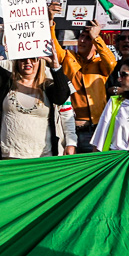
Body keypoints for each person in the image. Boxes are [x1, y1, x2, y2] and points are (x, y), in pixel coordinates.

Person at [49, 8, 115, 150]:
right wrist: (50, 21)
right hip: (72, 129)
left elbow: (112, 64)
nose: (82, 41)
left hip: (98, 129)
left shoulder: (100, 64)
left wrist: (96, 37)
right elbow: (53, 45)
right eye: (81, 36)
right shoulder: (68, 56)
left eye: (88, 37)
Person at [0, 55, 74, 159]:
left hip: (42, 157)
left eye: (34, 58)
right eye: (23, 58)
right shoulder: (7, 83)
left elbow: (62, 98)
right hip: (10, 156)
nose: (28, 62)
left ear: (40, 61)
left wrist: (55, 66)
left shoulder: (49, 85)